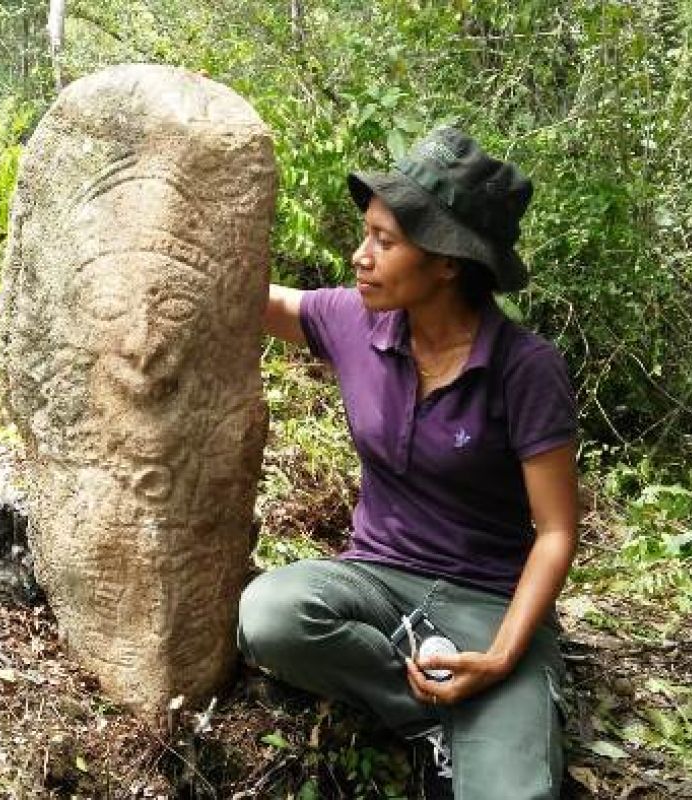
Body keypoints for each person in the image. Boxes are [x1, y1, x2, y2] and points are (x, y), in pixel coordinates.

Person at [237, 127, 579, 800]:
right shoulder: (353, 322)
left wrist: (506, 652)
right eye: (366, 235)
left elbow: (557, 530)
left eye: (385, 242)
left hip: (492, 601)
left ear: (448, 261)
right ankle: (435, 706)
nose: (359, 257)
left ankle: (487, 699)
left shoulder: (525, 369)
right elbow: (261, 302)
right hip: (376, 580)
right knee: (271, 615)